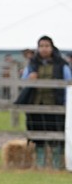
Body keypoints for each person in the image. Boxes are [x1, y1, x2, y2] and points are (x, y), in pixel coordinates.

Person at [19, 35, 70, 170]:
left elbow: (68, 84)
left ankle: (56, 165)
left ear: (52, 48)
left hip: (56, 105)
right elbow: (22, 82)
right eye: (41, 46)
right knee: (38, 138)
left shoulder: (62, 65)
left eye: (47, 46)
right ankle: (40, 165)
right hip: (36, 105)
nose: (44, 49)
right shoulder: (32, 65)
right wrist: (29, 79)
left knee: (56, 136)